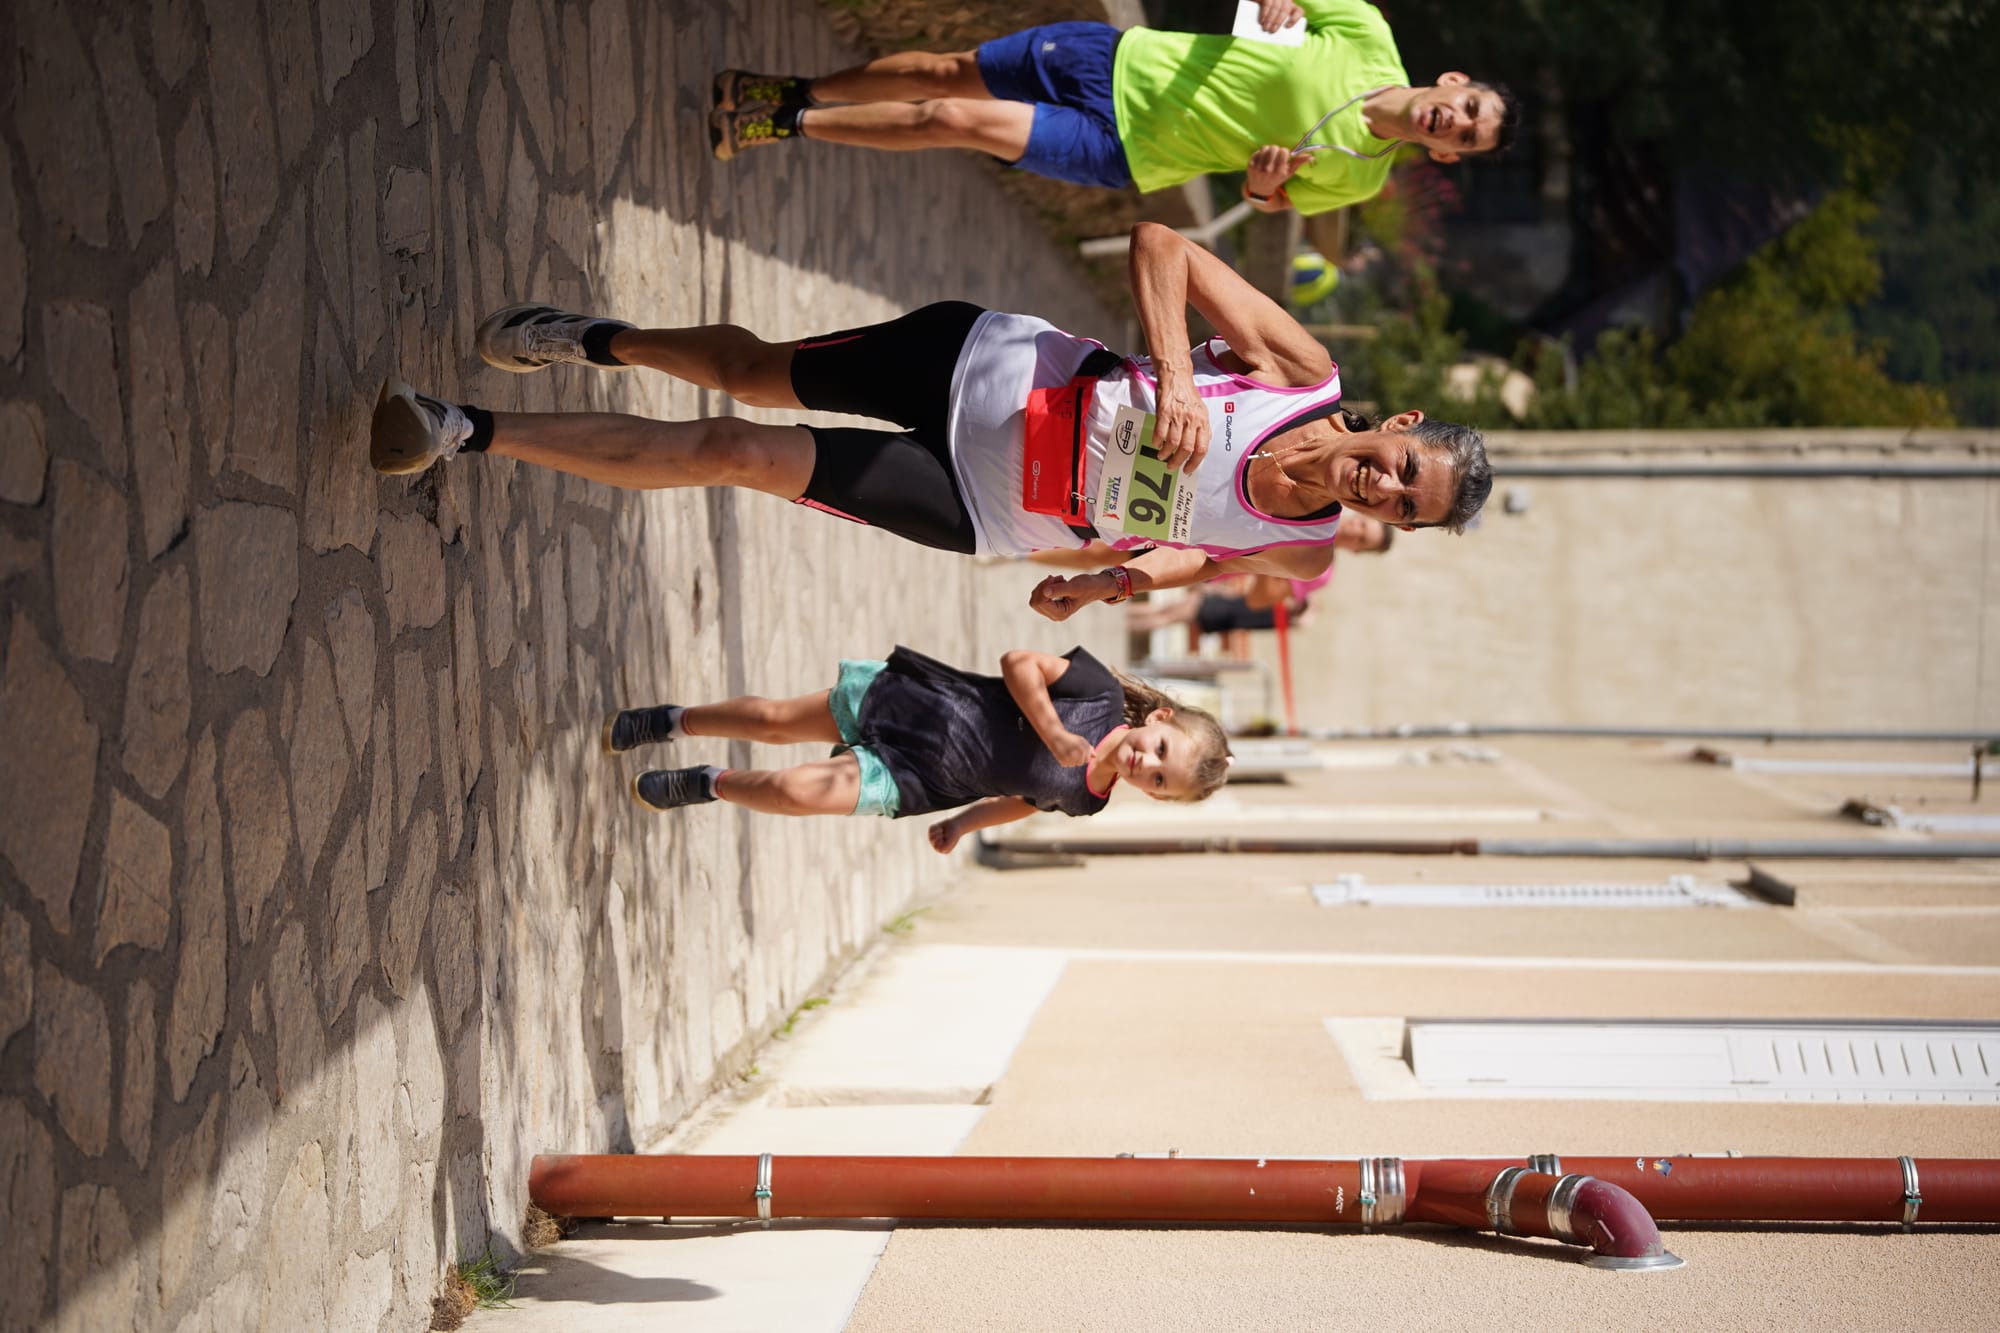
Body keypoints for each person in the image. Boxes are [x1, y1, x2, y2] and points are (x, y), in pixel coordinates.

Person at [369, 222, 1490, 618]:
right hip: (982, 368)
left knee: (732, 452)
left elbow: (1187, 563)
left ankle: (464, 427)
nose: (1380, 492)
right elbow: (1161, 246)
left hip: (984, 506)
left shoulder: (1294, 548)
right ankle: (598, 340)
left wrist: (1100, 583)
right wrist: (1179, 380)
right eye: (1400, 467)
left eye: (1404, 510)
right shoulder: (1297, 374)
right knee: (758, 374)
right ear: (1394, 423)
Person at [706, 1, 1517, 217]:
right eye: (1470, 106)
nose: (1460, 122)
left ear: (1449, 156)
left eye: (1470, 138)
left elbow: (1266, 201)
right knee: (949, 69)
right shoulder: (1367, 31)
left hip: (1128, 152)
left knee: (947, 120)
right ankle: (799, 88)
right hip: (1120, 59)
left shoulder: (1360, 178)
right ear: (1452, 82)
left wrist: (1265, 182)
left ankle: (785, 122)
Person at [598, 644, 1232, 851]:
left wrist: (963, 821)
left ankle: (708, 783)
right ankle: (678, 720)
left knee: (795, 791)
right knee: (770, 718)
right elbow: (1018, 664)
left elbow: (1022, 799)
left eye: (1158, 781)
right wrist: (1055, 731)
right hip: (917, 706)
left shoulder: (1087, 801)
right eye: (1159, 749)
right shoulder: (1094, 692)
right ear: (1161, 717)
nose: (1145, 764)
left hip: (918, 779)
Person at [1122, 513, 1392, 635]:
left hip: (1203, 559)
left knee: (1125, 571)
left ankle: (1107, 617)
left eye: (1362, 539)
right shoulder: (1318, 505)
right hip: (1199, 519)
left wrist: (1274, 559)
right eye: (1362, 525)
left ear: (1357, 551)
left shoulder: (1320, 572)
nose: (1355, 531)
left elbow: (1259, 600)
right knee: (1106, 550)